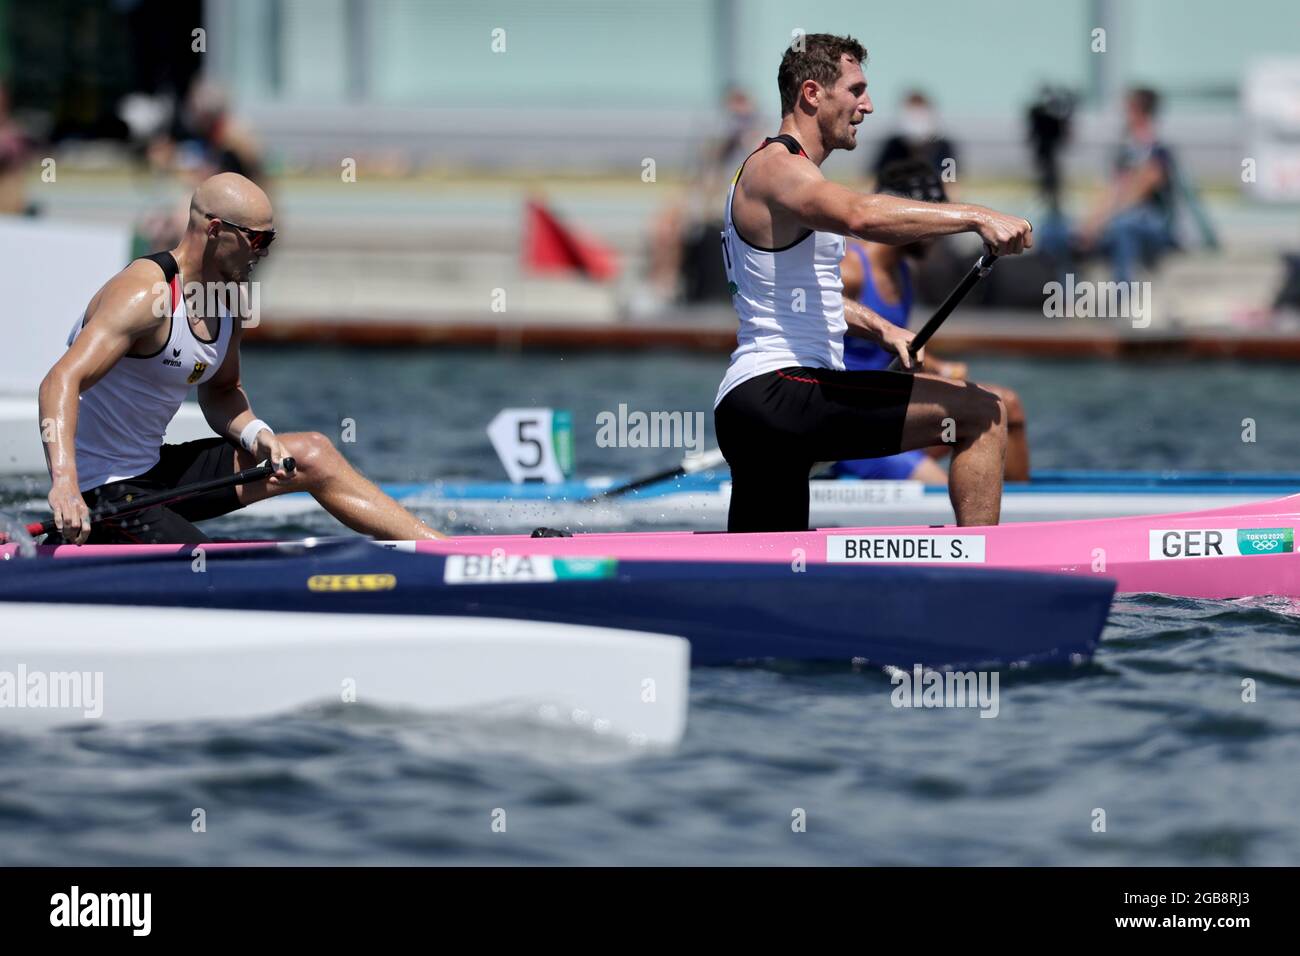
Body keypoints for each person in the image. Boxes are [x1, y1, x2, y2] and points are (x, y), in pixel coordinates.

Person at [713, 34, 1033, 533]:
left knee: (766, 572)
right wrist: (977, 216)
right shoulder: (779, 169)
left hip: (756, 408)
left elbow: (809, 297)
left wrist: (885, 331)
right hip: (785, 393)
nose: (869, 105)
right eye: (856, 89)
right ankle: (982, 573)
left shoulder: (781, 176)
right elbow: (862, 215)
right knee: (982, 411)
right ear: (813, 94)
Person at [38, 172, 443, 544]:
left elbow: (223, 391)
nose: (263, 253)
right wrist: (65, 483)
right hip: (98, 488)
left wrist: (259, 436)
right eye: (257, 239)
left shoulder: (229, 299)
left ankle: (443, 550)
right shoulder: (145, 296)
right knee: (203, 563)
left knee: (313, 454)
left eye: (271, 240)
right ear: (215, 231)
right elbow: (60, 381)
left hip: (154, 471)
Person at [836, 159, 1031, 483]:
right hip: (850, 429)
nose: (936, 234)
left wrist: (937, 365)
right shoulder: (851, 271)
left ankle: (1018, 508)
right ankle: (999, 513)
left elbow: (883, 350)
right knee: (995, 408)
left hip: (888, 408)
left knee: (1006, 407)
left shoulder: (902, 271)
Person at [1078, 87, 1176, 283]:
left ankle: (1123, 297)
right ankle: (1070, 296)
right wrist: (1090, 223)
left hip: (1154, 224)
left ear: (1140, 112)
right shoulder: (1125, 151)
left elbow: (1139, 191)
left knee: (1123, 227)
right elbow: (1112, 190)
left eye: (1128, 109)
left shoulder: (1157, 151)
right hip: (1122, 218)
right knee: (1070, 234)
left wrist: (1104, 221)